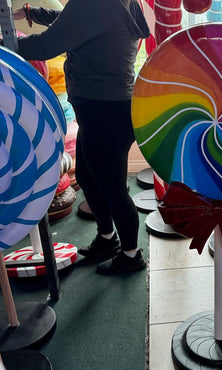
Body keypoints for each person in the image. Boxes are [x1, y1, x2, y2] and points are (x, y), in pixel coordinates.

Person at [11, 0, 150, 275]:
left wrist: (6, 45)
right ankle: (107, 239)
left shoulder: (96, 3)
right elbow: (71, 22)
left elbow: (46, 45)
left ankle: (131, 256)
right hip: (103, 108)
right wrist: (32, 12)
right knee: (88, 178)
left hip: (105, 111)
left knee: (113, 188)